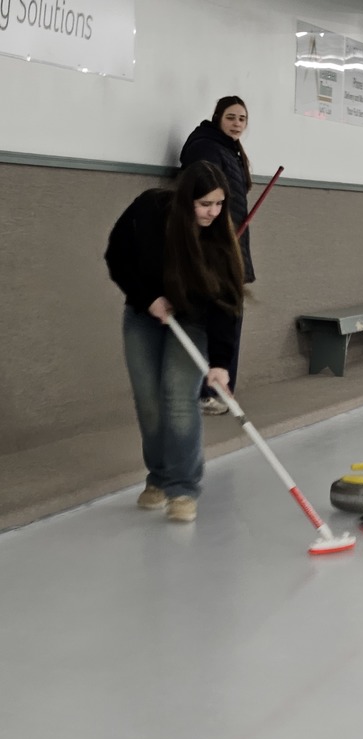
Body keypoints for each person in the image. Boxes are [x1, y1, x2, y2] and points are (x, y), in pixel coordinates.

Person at [105, 161, 244, 523]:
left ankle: (183, 489)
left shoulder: (217, 240)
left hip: (193, 321)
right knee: (149, 401)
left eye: (218, 204)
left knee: (179, 398)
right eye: (204, 204)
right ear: (185, 201)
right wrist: (148, 296)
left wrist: (221, 362)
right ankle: (159, 479)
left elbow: (227, 303)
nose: (213, 212)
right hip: (144, 314)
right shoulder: (150, 210)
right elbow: (117, 256)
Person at [180, 96, 255, 414]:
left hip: (232, 243)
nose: (237, 123)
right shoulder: (207, 148)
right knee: (220, 314)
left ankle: (218, 388)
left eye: (242, 118)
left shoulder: (230, 150)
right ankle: (210, 392)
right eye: (231, 117)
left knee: (229, 312)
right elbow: (202, 199)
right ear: (217, 118)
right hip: (216, 245)